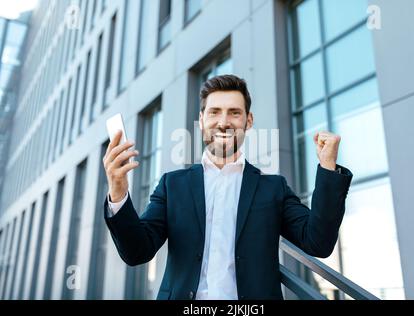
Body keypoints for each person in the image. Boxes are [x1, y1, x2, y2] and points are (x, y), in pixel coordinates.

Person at [102, 74, 353, 300]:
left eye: (234, 112)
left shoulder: (273, 188)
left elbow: (318, 242)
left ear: (249, 120)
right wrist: (118, 192)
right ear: (201, 120)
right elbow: (137, 252)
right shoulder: (172, 185)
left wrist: (328, 167)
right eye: (214, 112)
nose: (224, 122)